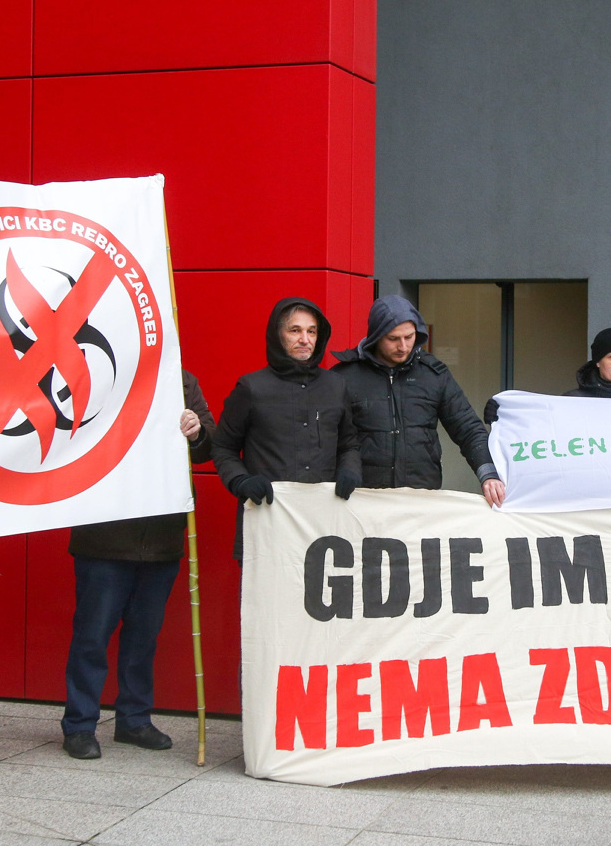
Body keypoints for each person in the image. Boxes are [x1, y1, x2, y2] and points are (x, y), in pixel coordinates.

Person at [60, 371, 215, 759]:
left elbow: (207, 447)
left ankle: (133, 719)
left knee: (143, 639)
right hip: (104, 534)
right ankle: (79, 725)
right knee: (92, 636)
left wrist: (197, 432)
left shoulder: (182, 379)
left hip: (161, 536)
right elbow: (67, 435)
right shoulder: (98, 373)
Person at [213, 298, 361, 560]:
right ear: (277, 334)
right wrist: (241, 481)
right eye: (295, 330)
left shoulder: (335, 386)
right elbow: (223, 446)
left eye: (311, 331)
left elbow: (348, 443)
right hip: (267, 520)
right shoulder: (251, 388)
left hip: (323, 524)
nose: (305, 339)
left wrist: (350, 470)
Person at [332, 296, 504, 507]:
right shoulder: (344, 376)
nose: (403, 346)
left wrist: (489, 474)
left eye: (409, 337)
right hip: (362, 500)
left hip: (422, 500)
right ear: (375, 336)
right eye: (393, 339)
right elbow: (323, 437)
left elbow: (467, 428)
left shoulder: (434, 374)